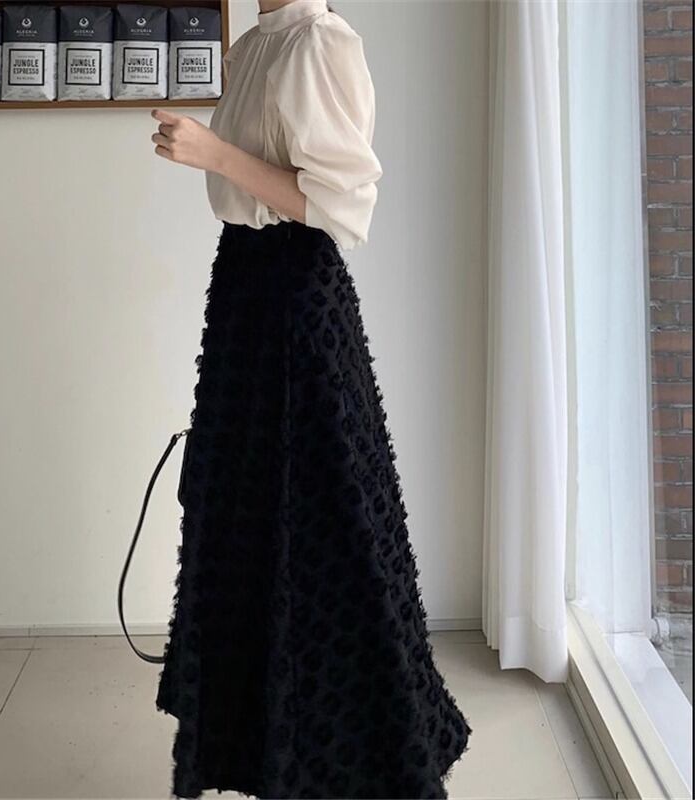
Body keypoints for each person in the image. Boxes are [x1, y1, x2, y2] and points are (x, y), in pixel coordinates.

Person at [149, 1, 472, 797]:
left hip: (294, 296)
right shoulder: (259, 42)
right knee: (251, 525)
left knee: (328, 530)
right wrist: (215, 156)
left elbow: (340, 204)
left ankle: (367, 753)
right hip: (246, 291)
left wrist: (213, 152)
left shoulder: (318, 41)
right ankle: (268, 750)